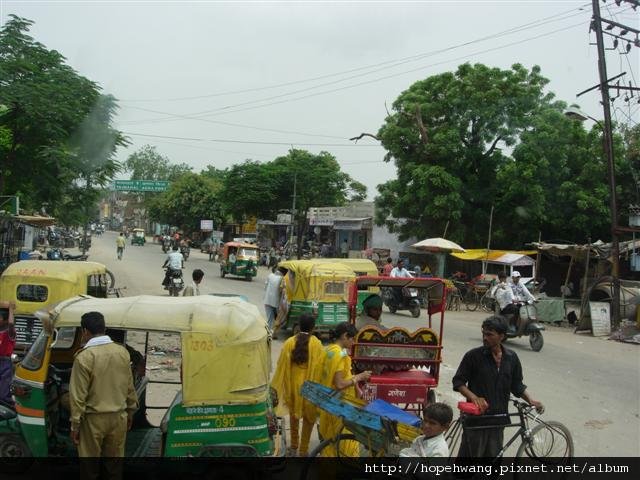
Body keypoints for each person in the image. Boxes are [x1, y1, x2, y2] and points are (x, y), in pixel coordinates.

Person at [452, 316, 543, 458]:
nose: (485, 338)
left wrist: (530, 400)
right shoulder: (473, 356)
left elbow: (516, 385)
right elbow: (458, 382)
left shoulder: (511, 358)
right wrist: (474, 397)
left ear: (502, 336)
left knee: (493, 459)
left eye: (489, 334)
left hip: (498, 418)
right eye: (484, 333)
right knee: (469, 462)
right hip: (477, 418)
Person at [69, 312, 138, 467]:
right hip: (119, 418)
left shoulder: (84, 357)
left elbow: (78, 396)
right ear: (104, 328)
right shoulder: (122, 352)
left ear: (85, 331)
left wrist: (75, 425)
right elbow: (129, 387)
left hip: (93, 421)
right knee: (113, 468)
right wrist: (131, 412)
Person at [271, 314, 324, 457]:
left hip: (293, 385)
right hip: (310, 386)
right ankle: (303, 450)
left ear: (299, 326)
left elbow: (281, 364)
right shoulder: (316, 344)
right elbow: (321, 367)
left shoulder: (289, 342)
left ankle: (294, 446)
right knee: (309, 419)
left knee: (294, 417)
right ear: (313, 327)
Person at [318, 322, 371, 456]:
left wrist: (355, 386)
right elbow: (340, 384)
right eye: (352, 338)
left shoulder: (328, 350)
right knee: (344, 441)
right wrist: (359, 377)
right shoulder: (340, 356)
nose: (353, 342)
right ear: (345, 336)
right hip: (340, 404)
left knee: (330, 440)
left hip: (327, 401)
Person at [0, 301, 16, 408]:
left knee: (3, 393)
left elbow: (11, 323)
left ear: (5, 320)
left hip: (5, 363)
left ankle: (6, 407)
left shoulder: (10, 332)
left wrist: (10, 309)